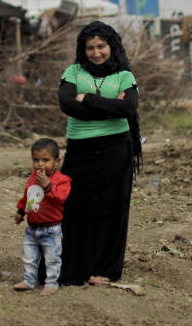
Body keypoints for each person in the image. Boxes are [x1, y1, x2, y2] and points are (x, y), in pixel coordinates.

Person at [57, 21, 142, 286]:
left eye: (101, 46)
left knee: (112, 211)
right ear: (83, 49)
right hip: (79, 151)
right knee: (75, 209)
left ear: (111, 46)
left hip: (116, 151)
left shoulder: (124, 76)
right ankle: (75, 269)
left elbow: (129, 108)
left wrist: (89, 99)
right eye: (90, 48)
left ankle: (106, 270)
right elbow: (67, 104)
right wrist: (110, 106)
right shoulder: (73, 72)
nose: (96, 53)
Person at [13, 138, 72, 295]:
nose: (40, 164)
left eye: (45, 160)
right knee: (28, 256)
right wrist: (21, 211)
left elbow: (60, 198)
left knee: (52, 258)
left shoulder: (62, 180)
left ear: (56, 162)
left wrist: (47, 185)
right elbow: (28, 196)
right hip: (32, 227)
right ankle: (29, 280)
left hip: (51, 228)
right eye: (36, 160)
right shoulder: (33, 177)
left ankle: (51, 283)